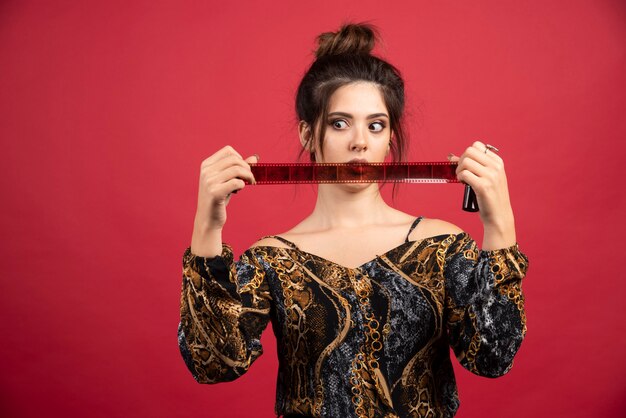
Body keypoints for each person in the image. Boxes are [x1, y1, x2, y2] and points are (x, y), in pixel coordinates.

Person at [178, 23, 528, 418]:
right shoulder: (270, 261)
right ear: (309, 134)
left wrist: (500, 226)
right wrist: (207, 225)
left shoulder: (442, 248)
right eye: (340, 123)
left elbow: (493, 357)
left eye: (375, 125)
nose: (359, 141)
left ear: (390, 138)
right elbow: (214, 365)